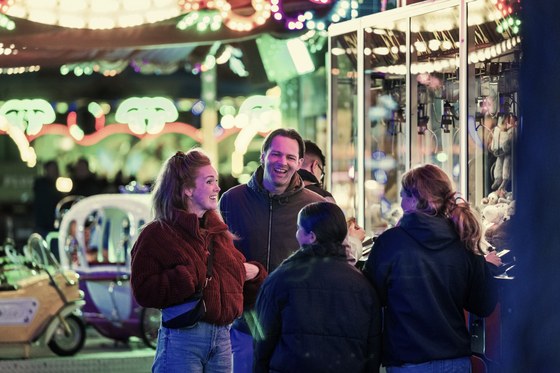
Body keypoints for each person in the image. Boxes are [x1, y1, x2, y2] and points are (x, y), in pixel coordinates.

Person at [130, 149, 267, 373]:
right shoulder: (158, 233)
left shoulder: (218, 233)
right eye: (209, 181)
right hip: (184, 338)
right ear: (188, 189)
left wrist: (254, 274)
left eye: (216, 181)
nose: (217, 187)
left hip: (222, 339)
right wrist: (184, 278)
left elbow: (235, 275)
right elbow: (143, 290)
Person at [363, 164, 498, 372]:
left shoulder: (391, 242)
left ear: (416, 199)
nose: (400, 202)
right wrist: (486, 266)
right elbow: (484, 304)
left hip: (407, 361)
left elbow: (370, 299)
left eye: (403, 196)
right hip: (456, 361)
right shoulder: (465, 240)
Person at [219, 128, 325, 373]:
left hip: (293, 327)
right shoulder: (232, 200)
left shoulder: (314, 205)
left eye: (290, 157)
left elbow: (323, 265)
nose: (282, 162)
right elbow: (221, 256)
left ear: (300, 163)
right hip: (243, 325)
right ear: (263, 155)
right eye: (276, 154)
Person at [253, 202, 381, 373]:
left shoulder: (280, 279)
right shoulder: (363, 285)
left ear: (311, 237)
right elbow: (372, 347)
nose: (296, 233)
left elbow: (263, 341)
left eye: (299, 228)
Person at [33, 160, 65, 238]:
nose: (54, 172)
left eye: (55, 169)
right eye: (51, 169)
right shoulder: (41, 184)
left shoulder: (59, 184)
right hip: (43, 225)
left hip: (56, 225)